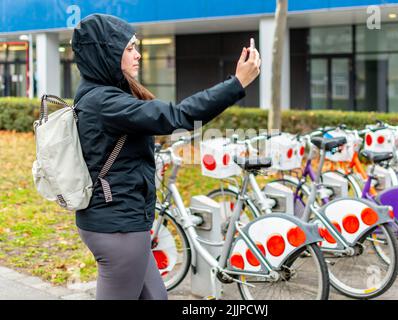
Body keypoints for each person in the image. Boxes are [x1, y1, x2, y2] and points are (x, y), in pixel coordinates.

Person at [71, 13, 261, 300]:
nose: (138, 55)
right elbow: (178, 115)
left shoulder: (101, 94)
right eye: (129, 48)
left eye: (137, 47)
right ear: (107, 54)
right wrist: (237, 83)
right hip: (118, 228)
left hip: (122, 222)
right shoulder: (104, 101)